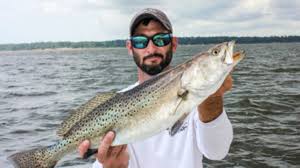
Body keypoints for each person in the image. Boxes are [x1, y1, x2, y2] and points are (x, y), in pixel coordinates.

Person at [78, 8, 233, 168]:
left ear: (173, 43)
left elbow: (217, 152)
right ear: (130, 47)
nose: (151, 49)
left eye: (160, 39)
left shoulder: (196, 98)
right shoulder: (115, 106)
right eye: (140, 41)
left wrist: (213, 97)